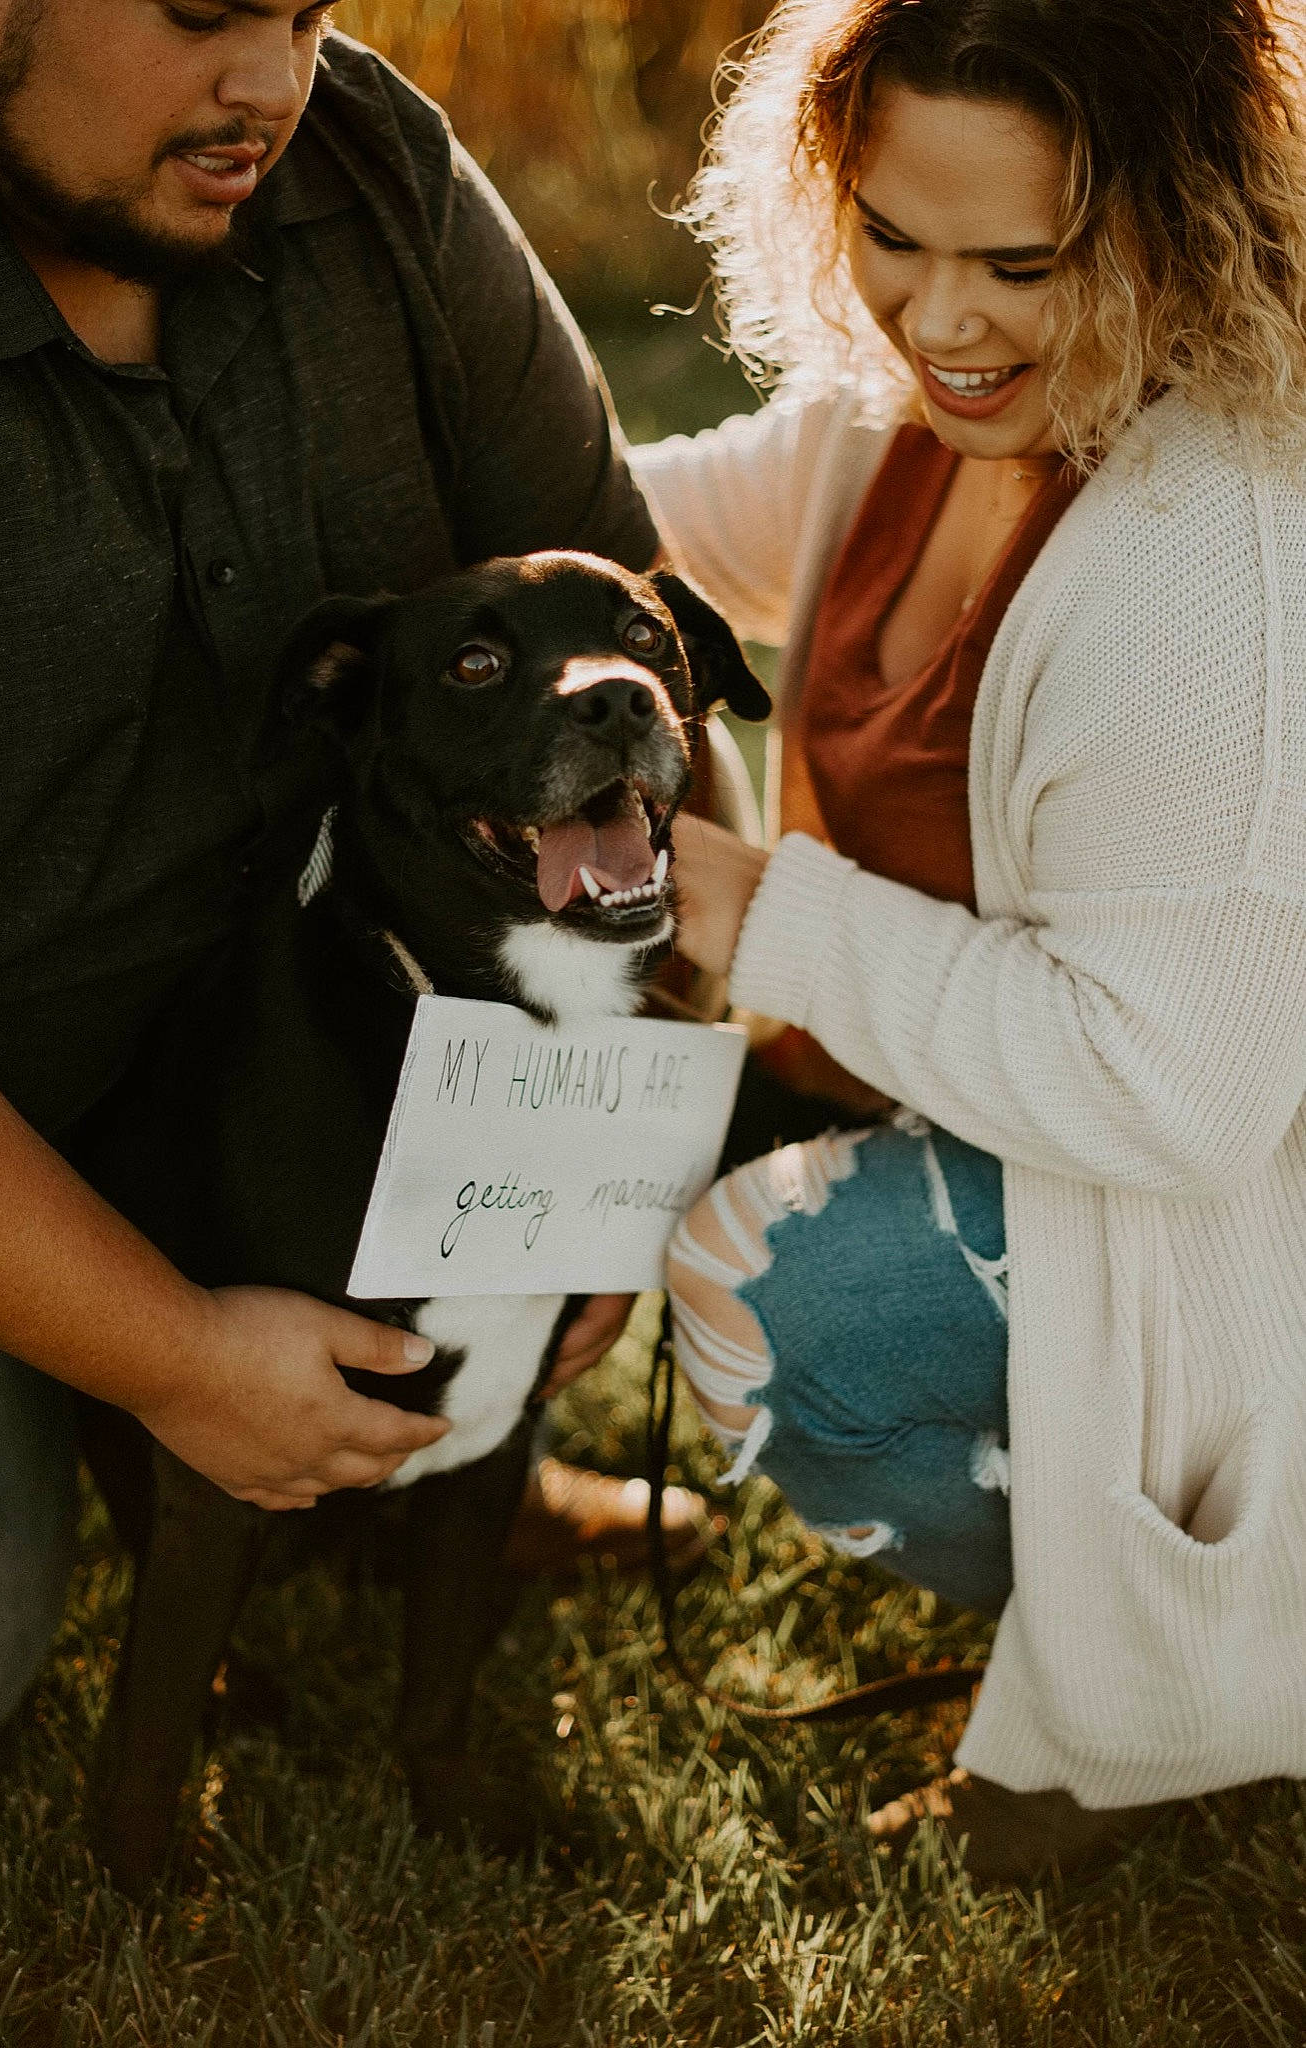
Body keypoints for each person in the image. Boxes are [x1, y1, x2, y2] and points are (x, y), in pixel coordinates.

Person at [0, 0, 710, 1771]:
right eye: (209, 12)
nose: (270, 87)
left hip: (358, 1064)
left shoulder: (370, 164)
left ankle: (428, 1443)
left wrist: (585, 1155)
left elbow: (636, 642)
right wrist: (176, 1355)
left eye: (306, 11)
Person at [637, 0, 1306, 1880]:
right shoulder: (897, 425)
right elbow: (625, 523)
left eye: (1025, 264)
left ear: (1190, 220)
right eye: (894, 238)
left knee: (786, 1303)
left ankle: (1200, 1670)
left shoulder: (1214, 559)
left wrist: (757, 910)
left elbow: (1169, 1094)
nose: (939, 321)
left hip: (1228, 1229)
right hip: (984, 1111)